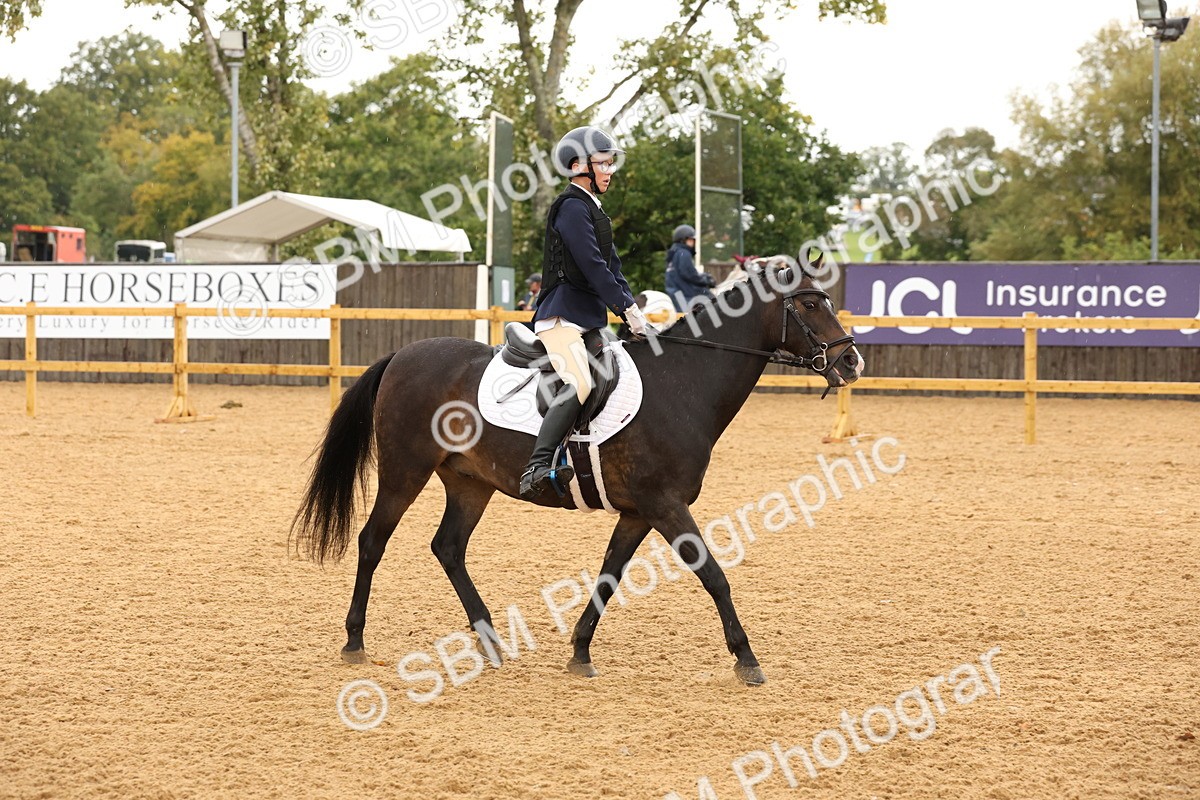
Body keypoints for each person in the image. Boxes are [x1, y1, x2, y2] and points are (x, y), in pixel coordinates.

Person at [519, 126, 652, 500]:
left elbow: (613, 267)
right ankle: (537, 467)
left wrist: (634, 311)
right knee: (579, 382)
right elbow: (593, 266)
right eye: (603, 163)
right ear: (578, 166)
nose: (610, 170)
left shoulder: (594, 209)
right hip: (560, 316)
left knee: (621, 371)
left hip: (589, 319)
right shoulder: (572, 208)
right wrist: (625, 309)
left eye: (611, 163)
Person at [664, 224, 715, 311]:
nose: (693, 242)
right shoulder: (684, 253)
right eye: (691, 240)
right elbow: (690, 275)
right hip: (686, 295)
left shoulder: (672, 254)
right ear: (683, 240)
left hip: (674, 293)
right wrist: (706, 280)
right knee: (714, 302)